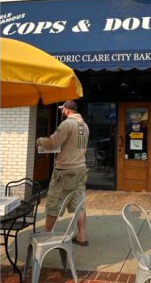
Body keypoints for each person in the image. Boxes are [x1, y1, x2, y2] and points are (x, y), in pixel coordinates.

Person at [36, 100, 90, 246]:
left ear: (67, 110)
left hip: (65, 170)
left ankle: (47, 233)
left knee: (54, 201)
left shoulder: (67, 124)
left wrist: (39, 141)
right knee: (79, 203)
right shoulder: (84, 126)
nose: (61, 112)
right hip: (80, 168)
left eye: (62, 110)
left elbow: (53, 143)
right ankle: (81, 236)